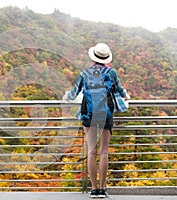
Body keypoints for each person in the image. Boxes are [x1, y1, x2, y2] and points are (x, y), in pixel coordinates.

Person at [63, 43, 130, 198]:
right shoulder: (111, 73)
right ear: (106, 58)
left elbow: (73, 94)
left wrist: (66, 96)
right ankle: (102, 189)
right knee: (104, 152)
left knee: (92, 152)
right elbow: (120, 90)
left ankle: (93, 190)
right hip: (106, 114)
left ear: (93, 57)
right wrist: (126, 96)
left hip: (89, 115)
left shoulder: (85, 73)